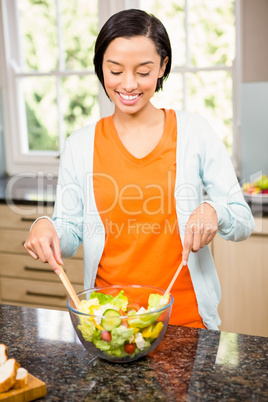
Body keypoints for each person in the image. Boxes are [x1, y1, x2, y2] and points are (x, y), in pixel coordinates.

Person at [24, 9, 254, 330]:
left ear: (162, 66)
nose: (129, 84)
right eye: (115, 70)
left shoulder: (195, 132)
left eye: (143, 71)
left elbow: (242, 220)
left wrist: (215, 212)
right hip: (109, 323)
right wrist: (46, 228)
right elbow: (70, 231)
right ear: (100, 67)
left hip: (186, 320)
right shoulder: (79, 144)